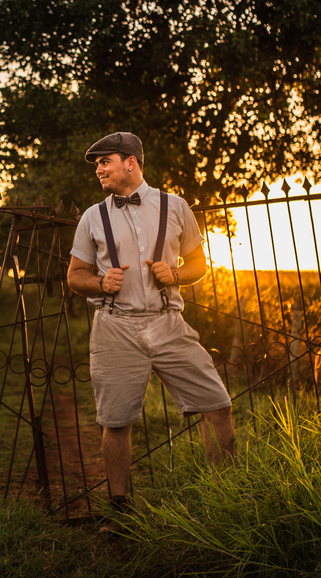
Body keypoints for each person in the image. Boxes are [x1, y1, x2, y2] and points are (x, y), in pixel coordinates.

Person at [65, 132, 235, 534]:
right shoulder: (92, 216)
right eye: (96, 165)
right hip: (114, 328)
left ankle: (228, 497)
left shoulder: (175, 206)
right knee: (116, 420)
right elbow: (74, 277)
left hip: (167, 322)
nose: (99, 170)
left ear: (131, 162)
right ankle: (120, 510)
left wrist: (175, 274)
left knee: (218, 405)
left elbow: (199, 264)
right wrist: (99, 283)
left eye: (104, 161)